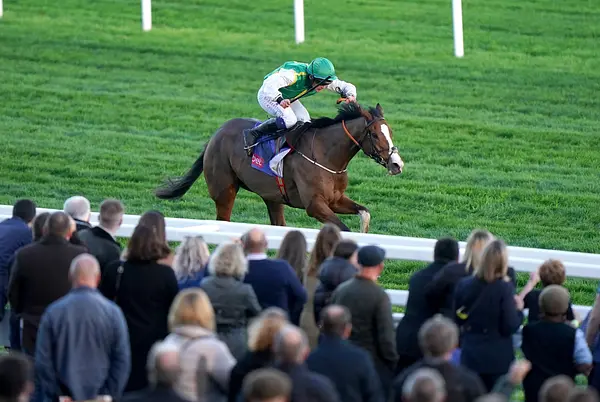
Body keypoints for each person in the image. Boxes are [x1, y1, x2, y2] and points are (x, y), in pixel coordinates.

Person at [245, 57, 357, 154]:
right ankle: (254, 133)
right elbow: (268, 84)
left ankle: (289, 146)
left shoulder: (321, 78)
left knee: (304, 120)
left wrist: (351, 95)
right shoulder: (293, 75)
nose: (323, 86)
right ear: (311, 77)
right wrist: (279, 99)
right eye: (321, 82)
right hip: (268, 95)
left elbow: (346, 86)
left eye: (326, 83)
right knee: (289, 120)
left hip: (288, 97)